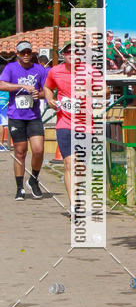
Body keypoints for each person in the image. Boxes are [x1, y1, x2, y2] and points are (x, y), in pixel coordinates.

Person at [44, 42, 106, 217]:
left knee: (80, 167)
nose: (71, 54)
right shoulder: (55, 71)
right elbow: (47, 87)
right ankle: (74, 206)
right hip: (64, 124)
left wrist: (89, 95)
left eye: (75, 52)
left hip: (86, 125)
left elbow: (105, 91)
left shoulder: (90, 70)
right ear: (63, 55)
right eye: (68, 52)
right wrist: (50, 99)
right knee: (69, 164)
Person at [0, 40, 47, 199]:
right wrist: (22, 87)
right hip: (16, 116)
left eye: (28, 52)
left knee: (39, 150)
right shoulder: (10, 68)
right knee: (20, 152)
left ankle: (33, 179)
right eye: (22, 53)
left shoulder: (39, 69)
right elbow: (2, 85)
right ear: (18, 54)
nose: (26, 55)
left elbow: (46, 91)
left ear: (32, 53)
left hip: (34, 116)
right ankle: (19, 187)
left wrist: (38, 95)